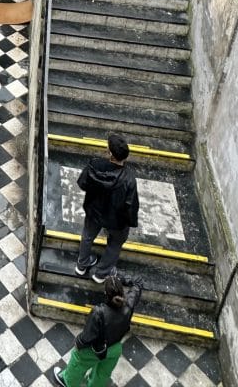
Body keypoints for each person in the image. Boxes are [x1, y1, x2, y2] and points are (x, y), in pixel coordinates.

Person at [53, 273, 143, 387]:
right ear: (122, 291)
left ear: (105, 293)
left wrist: (78, 343)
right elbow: (138, 282)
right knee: (102, 373)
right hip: (115, 348)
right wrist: (121, 279)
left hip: (96, 350)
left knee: (77, 361)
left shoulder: (99, 311)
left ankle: (67, 382)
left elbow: (87, 337)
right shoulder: (129, 304)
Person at [75, 132, 139, 282]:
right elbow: (131, 205)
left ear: (109, 152)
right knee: (115, 243)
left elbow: (82, 183)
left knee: (88, 235)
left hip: (94, 212)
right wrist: (130, 222)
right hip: (116, 220)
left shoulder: (95, 165)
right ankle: (101, 274)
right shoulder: (129, 178)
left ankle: (82, 264)